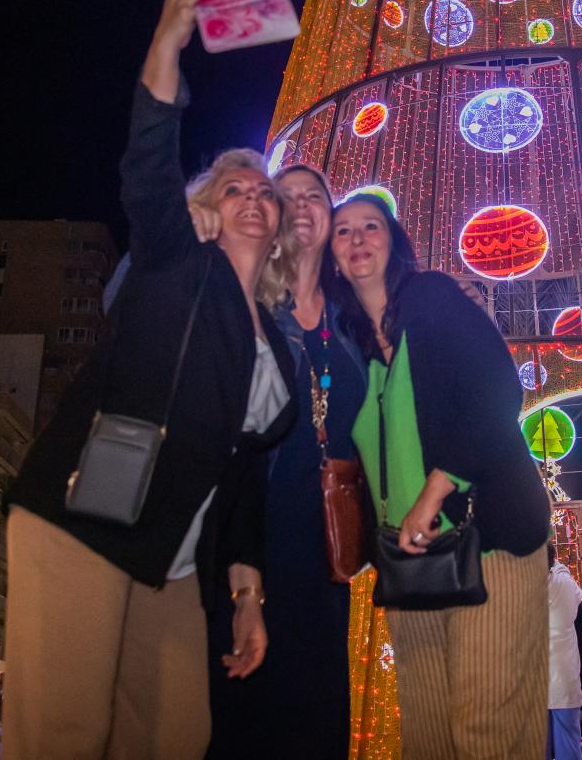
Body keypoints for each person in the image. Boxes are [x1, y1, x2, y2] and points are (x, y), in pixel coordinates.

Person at [4, 0, 298, 760]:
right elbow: (146, 162)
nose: (251, 198)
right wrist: (169, 39)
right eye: (233, 187)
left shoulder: (277, 343)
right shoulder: (176, 260)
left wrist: (246, 592)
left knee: (173, 737)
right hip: (89, 513)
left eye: (265, 194)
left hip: (175, 560)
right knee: (62, 735)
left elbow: (242, 480)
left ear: (278, 229)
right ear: (207, 205)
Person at [326, 192, 551, 759]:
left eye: (370, 227)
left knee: (486, 731)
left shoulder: (429, 298)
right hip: (407, 565)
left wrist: (434, 490)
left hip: (489, 540)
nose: (357, 239)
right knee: (426, 736)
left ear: (393, 241)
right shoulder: (347, 350)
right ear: (330, 256)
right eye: (343, 231)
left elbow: (497, 388)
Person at [206, 163, 365, 760]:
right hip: (249, 536)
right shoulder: (248, 303)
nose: (301, 204)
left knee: (317, 718)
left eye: (314, 195)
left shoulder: (352, 317)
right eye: (286, 196)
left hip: (327, 548)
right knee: (242, 716)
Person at [548, 546, 582, 760]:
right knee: (569, 752)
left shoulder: (516, 589)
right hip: (564, 681)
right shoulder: (564, 584)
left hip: (530, 684)